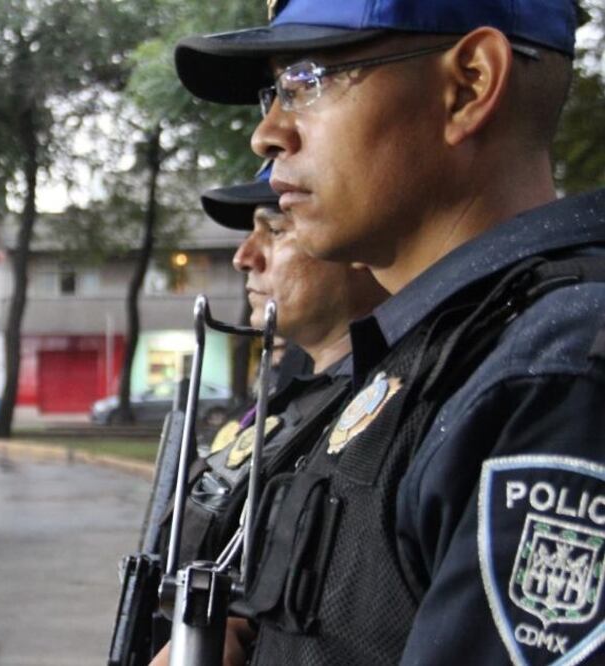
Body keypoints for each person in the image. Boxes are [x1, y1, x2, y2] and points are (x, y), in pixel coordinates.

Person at [174, 1, 605, 663]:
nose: (266, 134)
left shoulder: (550, 374)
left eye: (305, 82)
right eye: (274, 92)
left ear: (468, 84)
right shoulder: (441, 352)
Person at [149, 173, 387, 664]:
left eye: (275, 230)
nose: (244, 257)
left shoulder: (386, 415)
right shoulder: (296, 401)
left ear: (360, 241)